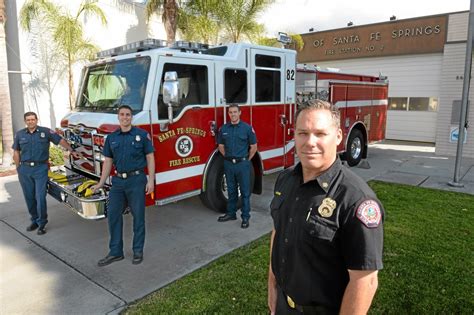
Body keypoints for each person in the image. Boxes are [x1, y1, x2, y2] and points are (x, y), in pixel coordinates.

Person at [267, 99, 384, 314]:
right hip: (284, 304)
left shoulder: (356, 199)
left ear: (338, 136)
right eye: (302, 133)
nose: (310, 142)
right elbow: (278, 232)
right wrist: (272, 289)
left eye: (320, 134)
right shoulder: (285, 180)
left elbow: (365, 281)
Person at [91, 105, 155, 266]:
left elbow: (150, 157)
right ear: (118, 117)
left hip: (136, 180)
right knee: (113, 216)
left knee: (138, 217)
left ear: (131, 117)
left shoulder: (141, 135)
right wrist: (100, 183)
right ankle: (115, 252)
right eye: (122, 115)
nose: (125, 117)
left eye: (128, 115)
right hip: (118, 182)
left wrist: (151, 180)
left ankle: (137, 251)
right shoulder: (112, 138)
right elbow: (108, 162)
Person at [12, 112, 80, 235]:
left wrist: (71, 150)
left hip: (41, 169)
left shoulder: (46, 132)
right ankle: (35, 220)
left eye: (33, 119)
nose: (30, 121)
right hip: (25, 169)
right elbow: (16, 152)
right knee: (29, 197)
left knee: (40, 197)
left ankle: (42, 223)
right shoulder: (20, 134)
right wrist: (18, 169)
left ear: (37, 120)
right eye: (28, 120)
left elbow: (60, 140)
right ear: (25, 121)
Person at [217, 104, 257, 229]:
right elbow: (221, 147)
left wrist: (245, 160)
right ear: (228, 114)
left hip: (243, 164)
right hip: (229, 164)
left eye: (235, 112)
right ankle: (231, 213)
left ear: (239, 113)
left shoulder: (247, 129)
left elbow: (254, 147)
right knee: (231, 190)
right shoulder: (223, 129)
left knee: (245, 192)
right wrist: (229, 158)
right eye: (230, 112)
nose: (233, 114)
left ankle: (245, 217)